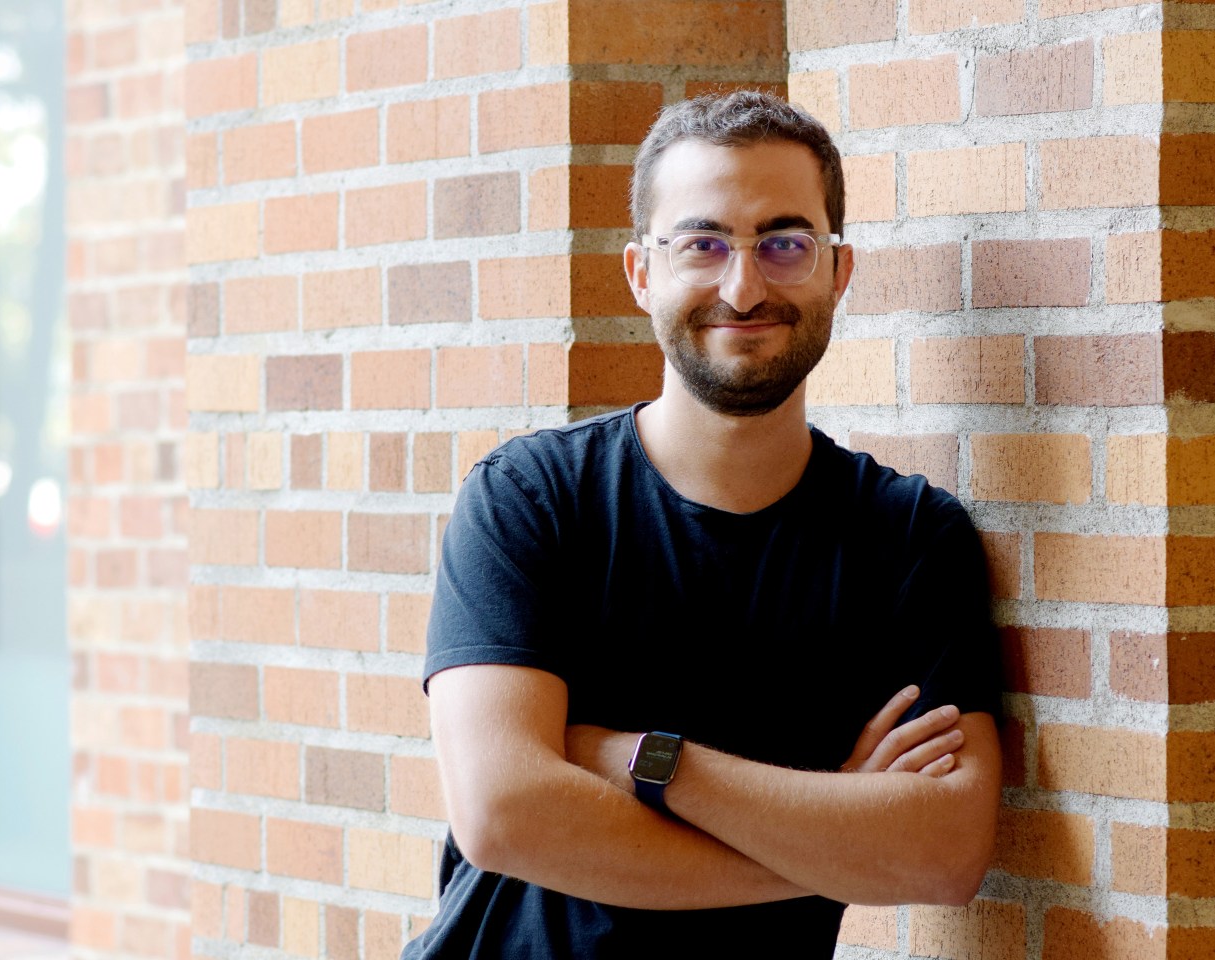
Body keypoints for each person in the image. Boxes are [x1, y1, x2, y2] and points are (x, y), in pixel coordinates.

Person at [403, 91, 1003, 960]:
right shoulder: (530, 500)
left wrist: (651, 760)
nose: (743, 285)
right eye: (704, 243)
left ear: (838, 270)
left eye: (785, 243)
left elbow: (944, 853)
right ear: (643, 272)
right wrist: (837, 844)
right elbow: (504, 814)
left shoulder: (908, 539)